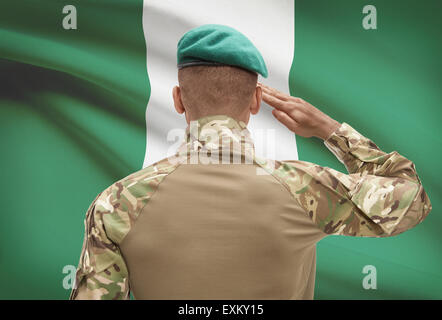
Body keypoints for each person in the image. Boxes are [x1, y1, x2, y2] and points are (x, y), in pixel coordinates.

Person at [70, 24, 431, 300]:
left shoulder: (115, 203)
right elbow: (411, 197)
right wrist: (330, 129)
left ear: (178, 100)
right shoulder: (306, 188)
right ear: (257, 100)